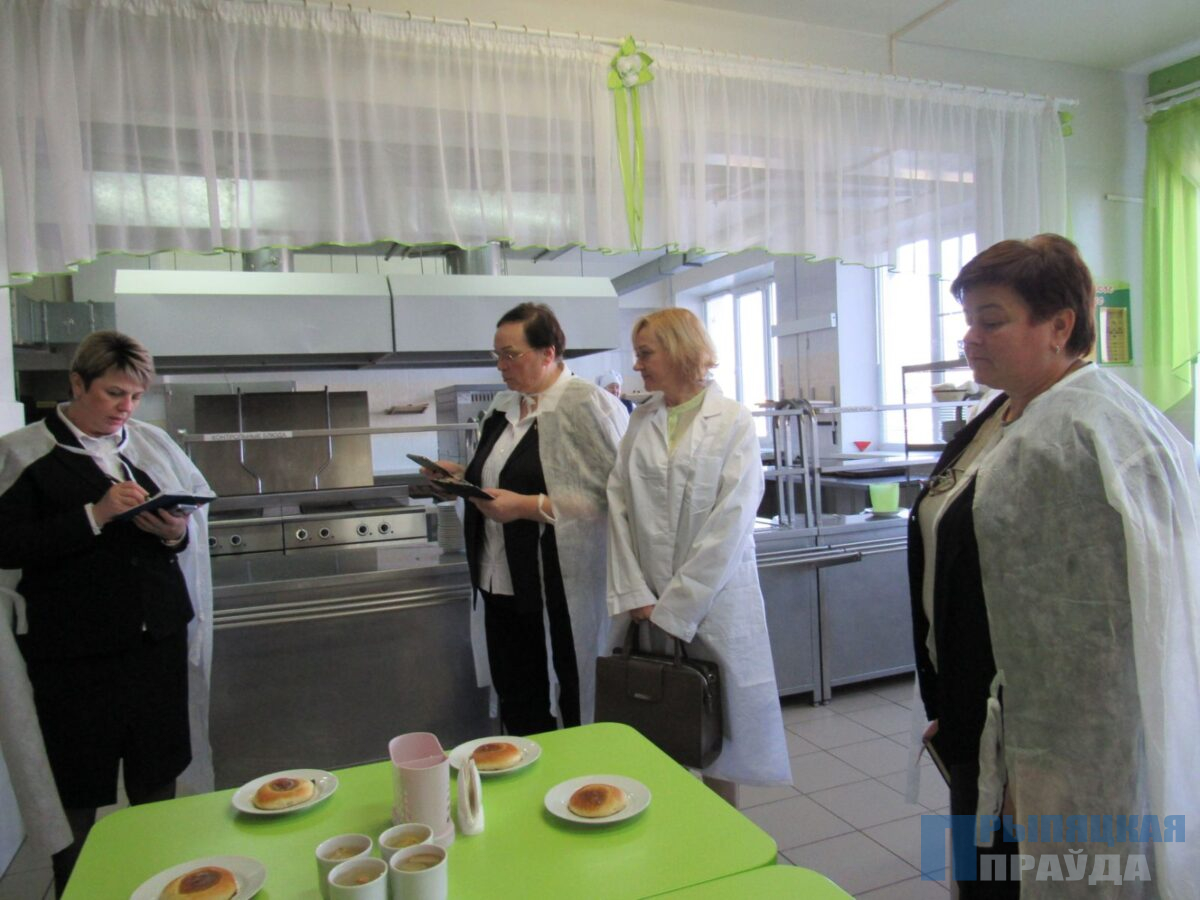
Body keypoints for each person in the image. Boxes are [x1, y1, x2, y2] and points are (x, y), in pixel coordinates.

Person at [908, 235, 1200, 898]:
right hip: (980, 718)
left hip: (1049, 750)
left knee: (1035, 880)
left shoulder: (1088, 432)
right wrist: (951, 700)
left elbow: (1091, 639)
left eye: (992, 320)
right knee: (985, 878)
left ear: (1060, 326)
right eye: (968, 320)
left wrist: (1033, 766)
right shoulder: (1006, 413)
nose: (970, 338)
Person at [0, 331, 214, 895]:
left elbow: (188, 527)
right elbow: (6, 546)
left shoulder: (150, 446)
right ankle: (78, 888)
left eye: (136, 397)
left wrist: (174, 533)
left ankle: (160, 882)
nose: (126, 408)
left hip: (157, 643)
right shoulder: (24, 454)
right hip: (75, 658)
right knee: (75, 790)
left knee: (157, 779)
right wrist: (92, 516)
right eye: (114, 394)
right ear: (77, 383)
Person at [606, 308, 791, 804]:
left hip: (714, 602)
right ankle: (670, 828)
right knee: (659, 722)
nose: (637, 365)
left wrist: (678, 605)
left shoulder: (732, 420)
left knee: (718, 733)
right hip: (645, 603)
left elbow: (732, 519)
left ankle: (723, 836)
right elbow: (618, 505)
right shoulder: (640, 419)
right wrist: (635, 592)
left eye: (645, 353)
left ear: (680, 349)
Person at [430, 303, 627, 736]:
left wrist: (527, 506)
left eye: (511, 355)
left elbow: (613, 500)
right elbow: (499, 476)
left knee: (566, 696)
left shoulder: (588, 405)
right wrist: (459, 479)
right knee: (519, 700)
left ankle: (576, 774)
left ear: (548, 352)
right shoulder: (504, 407)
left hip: (558, 587)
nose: (501, 366)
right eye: (497, 355)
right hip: (499, 581)